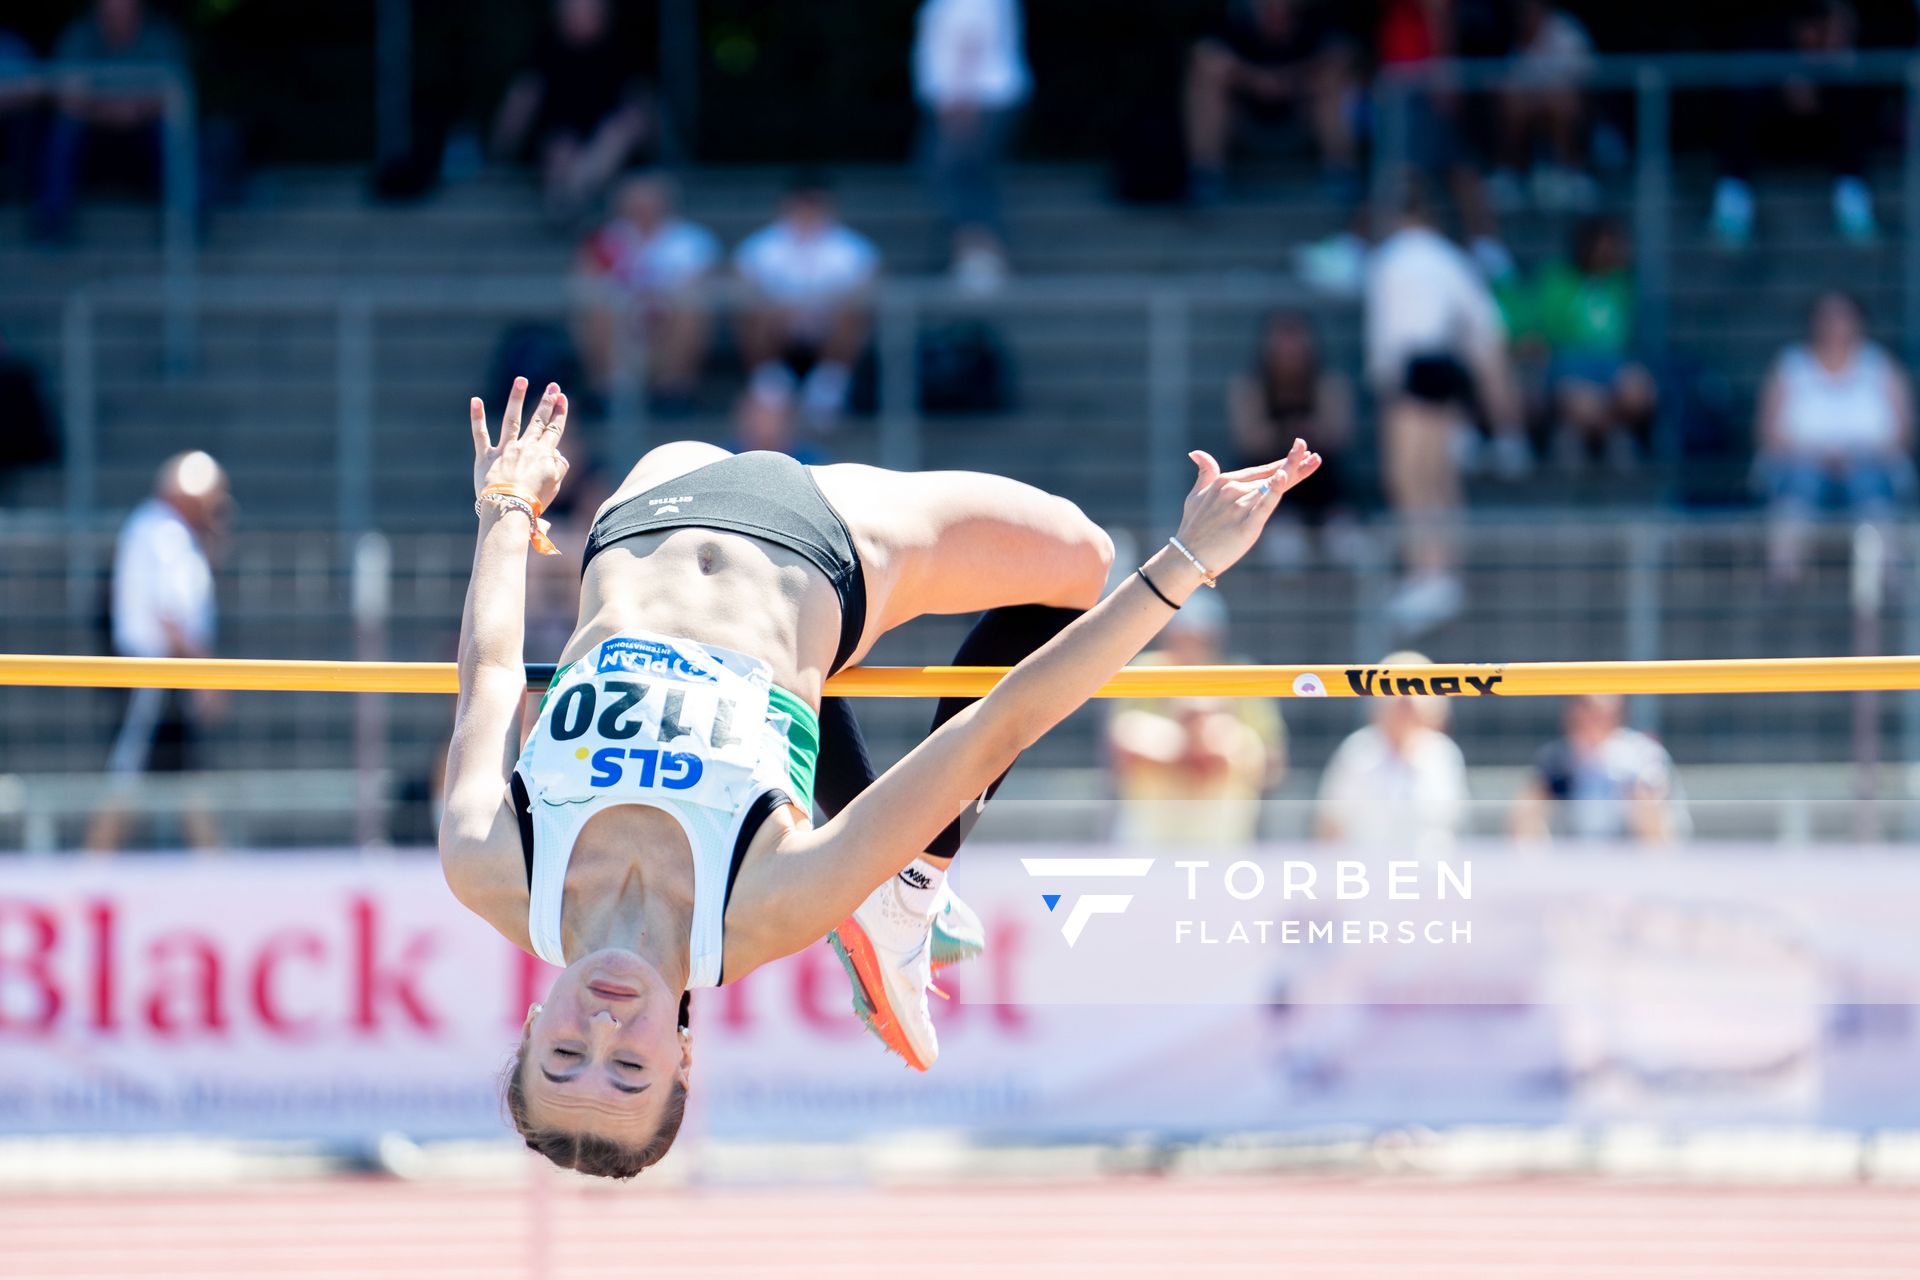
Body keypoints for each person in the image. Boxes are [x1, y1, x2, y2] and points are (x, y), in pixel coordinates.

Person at [439, 376, 1319, 1177]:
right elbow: (991, 730)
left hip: (646, 505)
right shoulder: (765, 908)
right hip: (820, 542)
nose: (602, 1028)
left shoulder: (487, 864)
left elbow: (490, 670)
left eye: (565, 1057)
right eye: (629, 1068)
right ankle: (911, 879)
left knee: (801, 692)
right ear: (683, 1061)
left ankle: (900, 889)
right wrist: (1185, 562)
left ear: (530, 1029)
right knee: (1082, 558)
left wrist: (505, 506)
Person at [1366, 188, 1524, 636]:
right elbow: (1486, 335)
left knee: (1411, 477)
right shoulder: (1450, 259)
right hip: (1444, 372)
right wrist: (1505, 426)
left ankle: (1430, 574)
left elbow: (1386, 336)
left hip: (1414, 373)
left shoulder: (1392, 259)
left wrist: (1385, 383)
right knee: (1437, 478)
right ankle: (1438, 574)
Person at [84, 451, 230, 853]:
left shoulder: (160, 530)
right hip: (155, 676)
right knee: (128, 777)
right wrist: (208, 676)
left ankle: (217, 874)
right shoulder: (165, 534)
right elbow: (171, 616)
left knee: (190, 781)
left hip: (164, 675)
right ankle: (90, 870)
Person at [1753, 291, 1915, 584]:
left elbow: (1903, 432)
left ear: (1859, 322)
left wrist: (1858, 455)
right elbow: (1768, 433)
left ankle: (1885, 579)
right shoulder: (1791, 366)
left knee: (1869, 485)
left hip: (1870, 466)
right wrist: (1816, 455)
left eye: (1843, 317)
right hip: (1799, 466)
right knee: (1801, 484)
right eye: (1827, 317)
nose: (1835, 325)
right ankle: (1785, 577)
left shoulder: (1881, 366)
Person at [1107, 592, 1285, 849]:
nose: (1190, 646)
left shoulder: (1240, 674)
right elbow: (1121, 746)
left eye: (1200, 637)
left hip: (1221, 836)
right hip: (1150, 836)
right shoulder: (1145, 670)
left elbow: (1270, 760)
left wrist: (1224, 751)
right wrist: (1184, 747)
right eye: (1183, 636)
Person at [1710, 1, 1879, 249]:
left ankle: (1853, 203)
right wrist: (1785, 89)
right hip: (1771, 138)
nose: (1815, 37)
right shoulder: (1767, 46)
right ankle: (1732, 205)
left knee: (1851, 108)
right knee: (1740, 111)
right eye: (1811, 29)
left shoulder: (1840, 56)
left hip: (1823, 141)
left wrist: (1831, 68)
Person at [732, 174, 880, 429]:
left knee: (853, 311)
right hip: (777, 326)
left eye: (815, 204)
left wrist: (816, 308)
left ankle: (827, 389)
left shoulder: (853, 248)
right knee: (752, 308)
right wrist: (784, 309)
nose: (808, 212)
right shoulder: (761, 246)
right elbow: (743, 285)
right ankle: (771, 383)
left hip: (829, 325)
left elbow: (866, 288)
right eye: (803, 204)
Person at [1184, 0, 1362, 208]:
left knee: (1335, 79)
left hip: (1301, 120)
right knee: (1206, 77)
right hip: (1245, 122)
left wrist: (1288, 80)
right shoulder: (1234, 26)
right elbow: (1204, 54)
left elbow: (1342, 55)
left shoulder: (1315, 25)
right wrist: (1255, 80)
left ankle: (1340, 173)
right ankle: (1207, 176)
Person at [35, 0, 188, 242]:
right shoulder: (78, 37)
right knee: (64, 131)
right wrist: (112, 110)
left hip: (142, 132)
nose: (117, 11)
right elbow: (65, 96)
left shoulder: (159, 38)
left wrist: (133, 111)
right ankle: (52, 221)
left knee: (172, 133)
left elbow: (174, 94)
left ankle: (184, 218)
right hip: (93, 134)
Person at [1514, 215, 1658, 470]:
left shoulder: (1621, 282)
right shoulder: (1557, 278)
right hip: (1570, 366)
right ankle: (1611, 435)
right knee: (1584, 405)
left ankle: (1612, 434)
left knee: (1638, 391)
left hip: (1612, 366)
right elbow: (1544, 331)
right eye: (1603, 247)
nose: (1608, 253)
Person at [491, 0, 653, 223]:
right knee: (561, 148)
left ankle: (572, 199)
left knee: (618, 131)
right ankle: (570, 202)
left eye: (589, 10)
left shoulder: (623, 52)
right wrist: (500, 156)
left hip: (607, 147)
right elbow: (521, 101)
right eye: (575, 11)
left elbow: (641, 108)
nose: (582, 17)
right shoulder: (544, 52)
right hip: (559, 142)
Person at [571, 172, 719, 406]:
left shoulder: (691, 240)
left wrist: (656, 299)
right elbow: (585, 281)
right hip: (622, 315)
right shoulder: (606, 239)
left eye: (649, 204)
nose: (642, 211)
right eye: (635, 205)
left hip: (669, 315)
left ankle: (672, 392)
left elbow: (700, 282)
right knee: (597, 309)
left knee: (690, 309)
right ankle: (610, 392)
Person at [912, 0, 1029, 291]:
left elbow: (972, 42)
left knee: (962, 177)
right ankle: (971, 253)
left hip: (973, 100)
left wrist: (961, 97)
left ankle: (981, 257)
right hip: (970, 99)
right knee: (961, 176)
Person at [1314, 651, 1469, 857]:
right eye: (1398, 700)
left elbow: (1452, 824)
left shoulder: (1443, 754)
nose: (1405, 708)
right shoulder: (1357, 752)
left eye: (1412, 701)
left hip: (1428, 870)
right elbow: (1330, 824)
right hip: (1366, 869)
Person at [1229, 309, 1356, 559]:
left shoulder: (1328, 383)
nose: (1289, 350)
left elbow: (1339, 434)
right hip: (1270, 489)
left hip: (1324, 488)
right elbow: (1250, 439)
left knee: (1347, 542)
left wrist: (1305, 433)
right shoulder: (1250, 386)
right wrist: (1288, 432)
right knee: (1285, 547)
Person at [1511, 695, 1688, 845]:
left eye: (1600, 713)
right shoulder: (1555, 759)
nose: (1591, 719)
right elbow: (1526, 821)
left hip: (1631, 859)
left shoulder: (1643, 755)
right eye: (1585, 709)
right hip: (1571, 860)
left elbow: (1664, 834)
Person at [1491, 0, 1597, 212]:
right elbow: (1514, 80)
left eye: (1531, 9)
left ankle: (1570, 172)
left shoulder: (1567, 33)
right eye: (1523, 10)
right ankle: (1510, 174)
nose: (1525, 15)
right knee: (1511, 101)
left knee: (1560, 101)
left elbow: (1584, 80)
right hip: (1532, 106)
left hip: (1569, 106)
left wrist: (1548, 94)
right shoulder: (1521, 38)